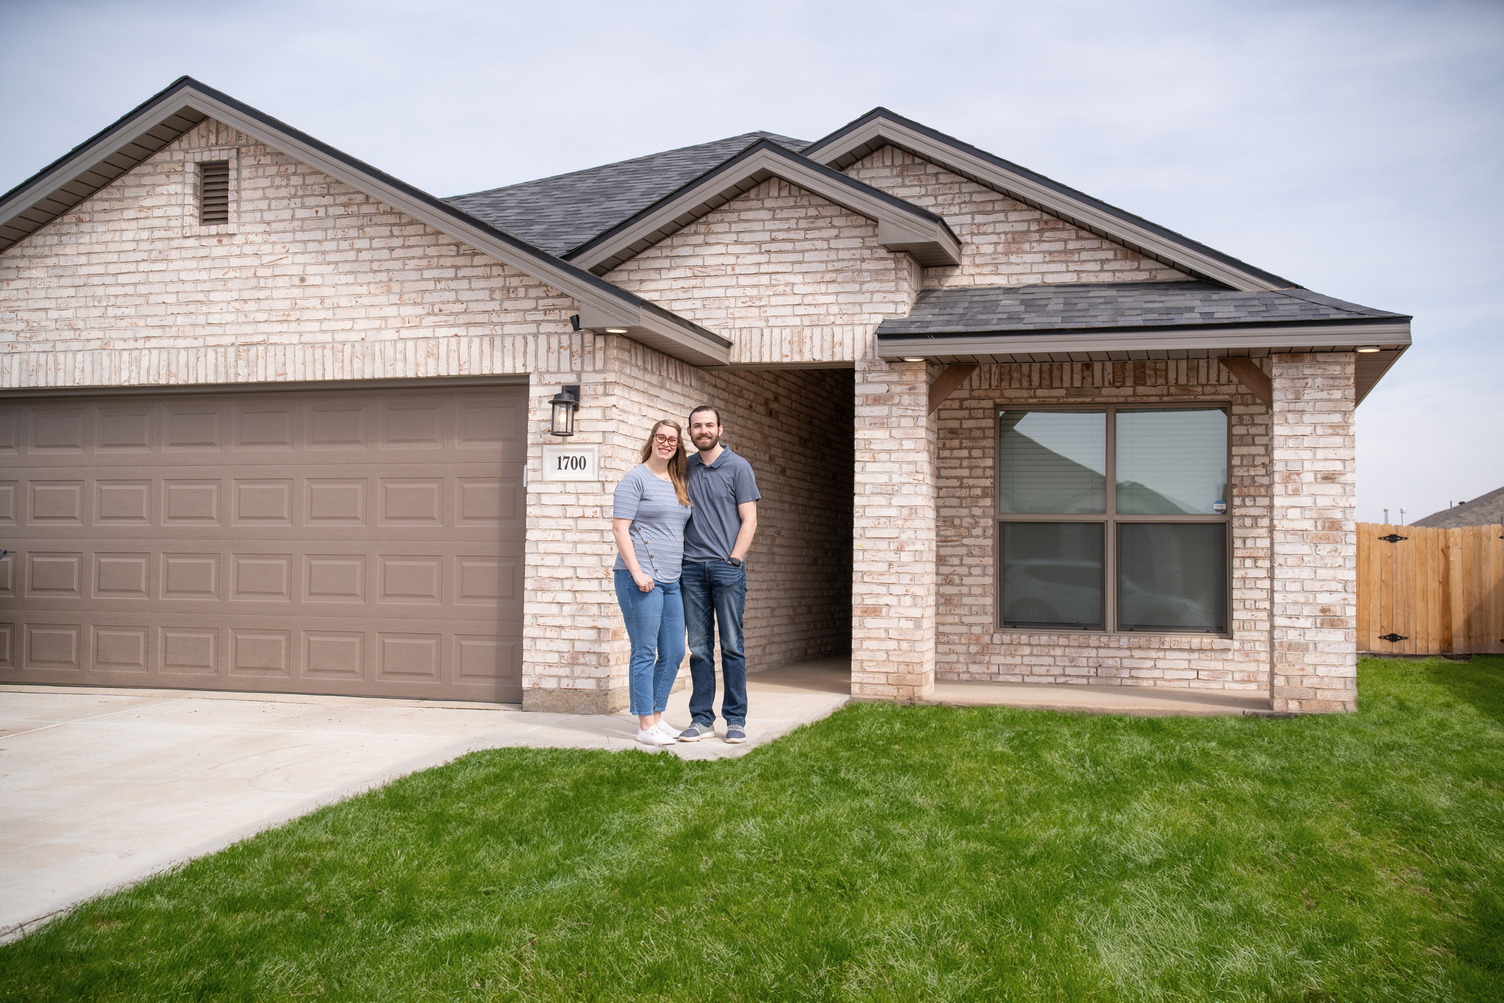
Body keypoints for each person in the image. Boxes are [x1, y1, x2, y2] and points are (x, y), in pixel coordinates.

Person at [676, 405, 760, 744]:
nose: (703, 431)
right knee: (698, 648)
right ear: (691, 432)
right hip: (691, 570)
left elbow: (749, 520)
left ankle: (736, 719)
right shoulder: (685, 468)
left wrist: (734, 560)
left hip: (727, 570)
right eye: (697, 426)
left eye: (709, 425)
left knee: (731, 646)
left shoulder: (738, 467)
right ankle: (701, 719)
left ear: (720, 429)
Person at [612, 419, 693, 748]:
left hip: (672, 580)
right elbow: (620, 529)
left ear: (678, 446)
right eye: (661, 437)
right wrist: (637, 572)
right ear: (652, 440)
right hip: (640, 579)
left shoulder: (677, 481)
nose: (667, 443)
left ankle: (657, 720)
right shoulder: (635, 479)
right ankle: (645, 725)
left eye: (673, 439)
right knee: (645, 651)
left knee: (673, 651)